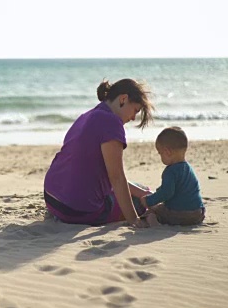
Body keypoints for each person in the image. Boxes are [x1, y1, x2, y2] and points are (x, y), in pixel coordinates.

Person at [44, 79, 154, 228]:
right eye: (135, 110)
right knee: (141, 203)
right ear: (123, 99)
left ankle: (143, 192)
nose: (134, 118)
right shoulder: (112, 122)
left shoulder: (87, 116)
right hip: (76, 210)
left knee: (141, 191)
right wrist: (134, 219)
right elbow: (117, 178)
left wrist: (142, 192)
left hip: (53, 198)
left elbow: (109, 176)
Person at [140, 127, 205, 225]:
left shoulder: (170, 171)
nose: (160, 156)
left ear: (167, 152)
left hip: (179, 214)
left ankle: (153, 222)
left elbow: (167, 193)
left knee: (154, 210)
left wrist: (148, 201)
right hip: (197, 214)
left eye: (160, 153)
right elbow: (179, 187)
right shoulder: (188, 168)